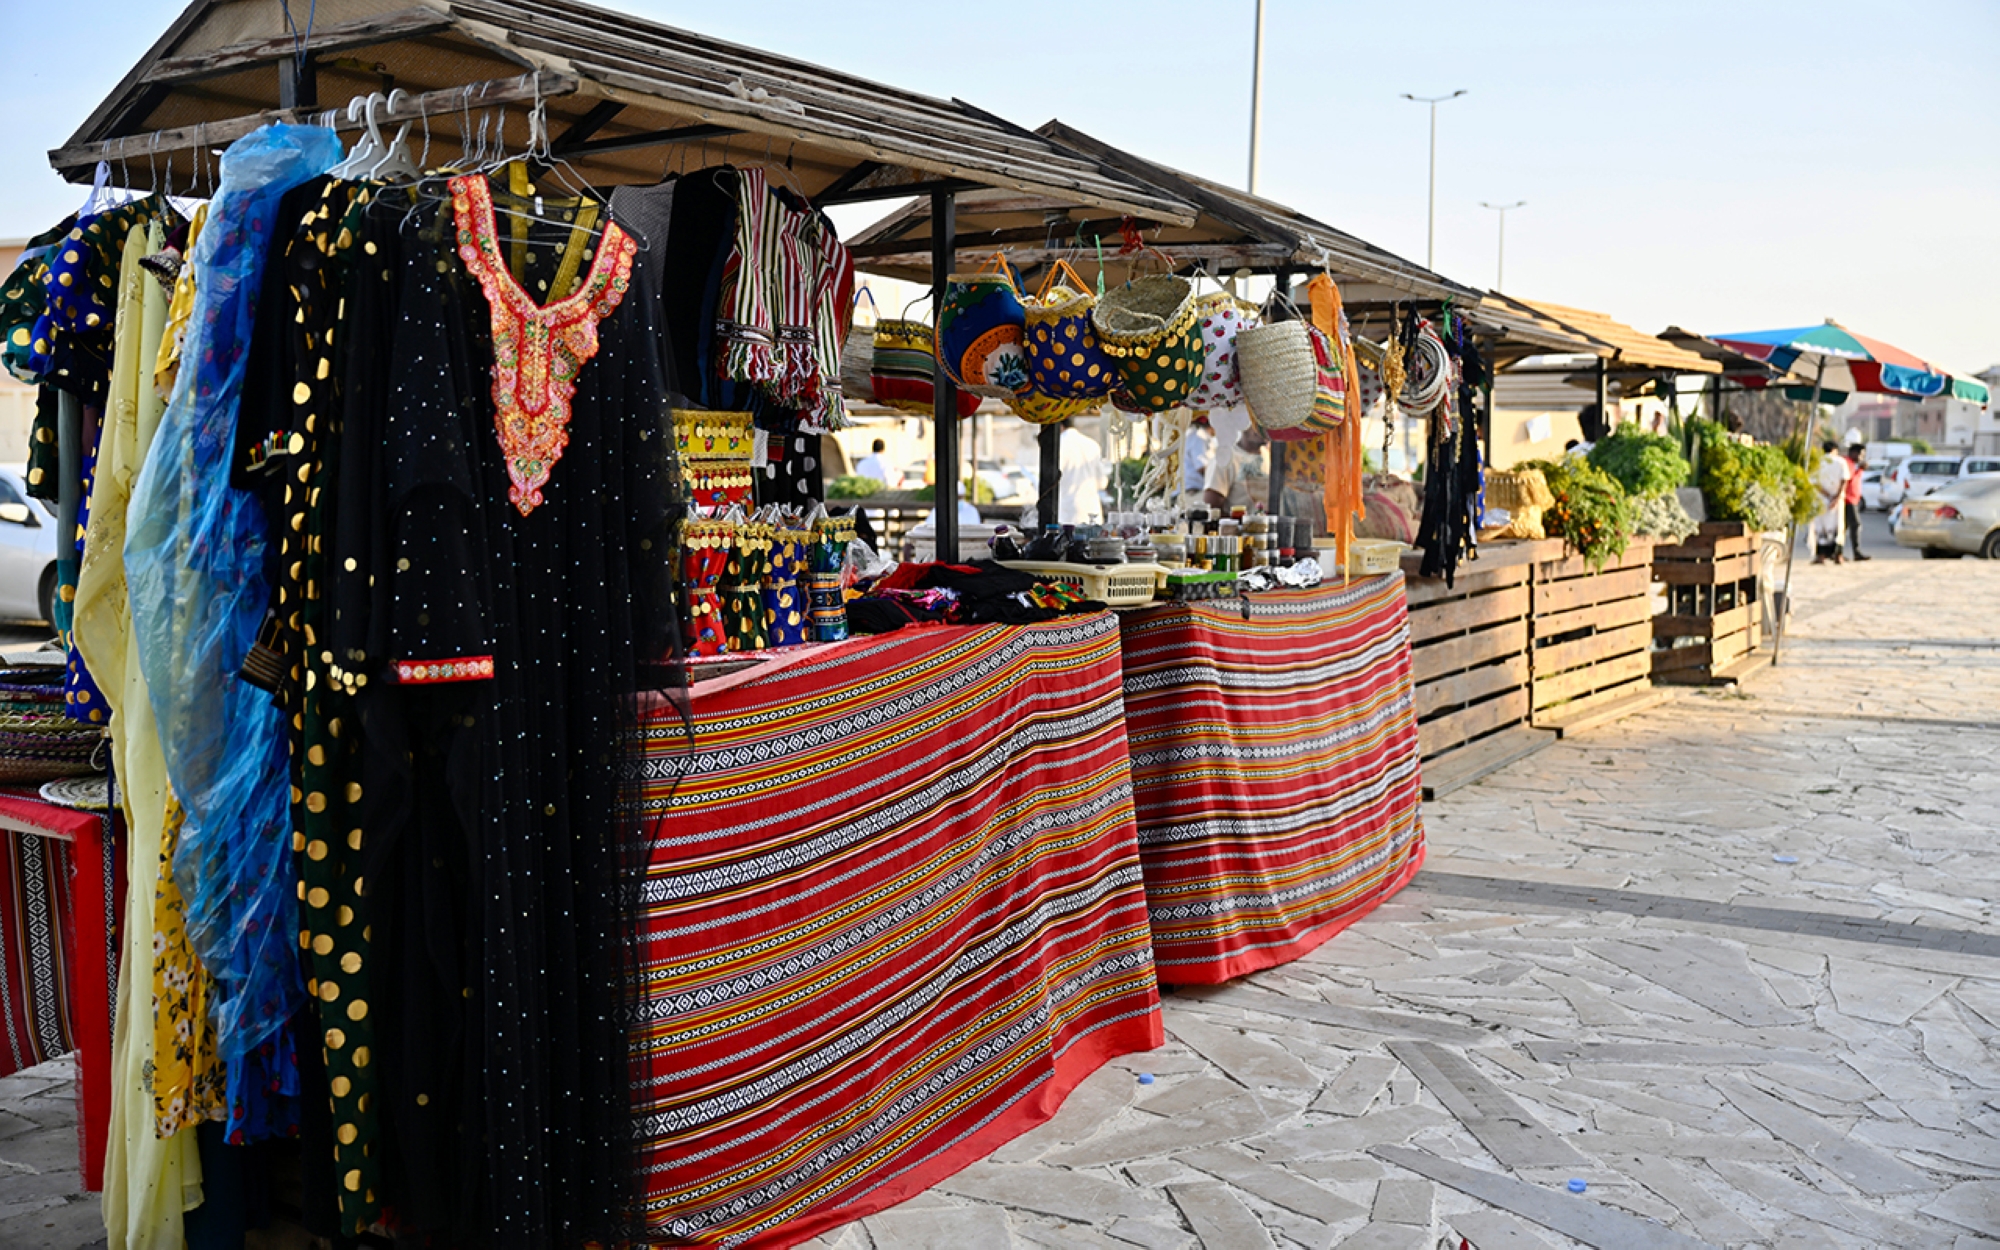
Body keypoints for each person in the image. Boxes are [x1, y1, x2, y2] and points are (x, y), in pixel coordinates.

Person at [1203, 424, 1271, 512]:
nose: (1261, 429)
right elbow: (1211, 508)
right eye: (1255, 422)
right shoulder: (1225, 458)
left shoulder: (1268, 456)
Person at [1057, 417, 1107, 525]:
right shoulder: (1092, 444)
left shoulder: (1058, 445)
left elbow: (1052, 480)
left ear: (1059, 426)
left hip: (1068, 513)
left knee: (1068, 541)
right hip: (1092, 511)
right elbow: (1102, 483)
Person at [1811, 439, 1851, 565]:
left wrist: (1827, 496)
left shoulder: (1817, 462)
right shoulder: (1841, 461)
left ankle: (1821, 556)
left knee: (1820, 528)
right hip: (1837, 500)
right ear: (1834, 450)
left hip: (1821, 499)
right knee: (1837, 528)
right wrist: (1836, 497)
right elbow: (1845, 480)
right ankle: (1838, 556)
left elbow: (1814, 483)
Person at [1843, 443, 1870, 561]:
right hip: (1848, 500)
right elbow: (1849, 480)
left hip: (1852, 499)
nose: (1862, 458)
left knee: (1845, 526)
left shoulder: (1852, 464)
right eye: (1861, 455)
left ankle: (1838, 552)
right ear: (1854, 453)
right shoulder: (1848, 463)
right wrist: (1860, 470)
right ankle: (1856, 552)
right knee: (1855, 524)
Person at [1182, 416, 1214, 500]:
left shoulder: (1193, 434)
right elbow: (1201, 467)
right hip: (1192, 493)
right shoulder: (1199, 437)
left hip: (1188, 491)